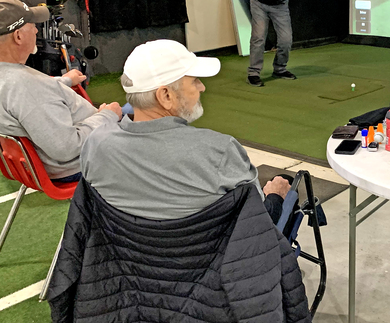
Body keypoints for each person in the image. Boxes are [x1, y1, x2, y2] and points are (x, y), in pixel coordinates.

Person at [80, 39, 291, 222]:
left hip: (126, 263)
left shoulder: (95, 143)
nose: (202, 87)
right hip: (211, 265)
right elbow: (260, 222)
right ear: (166, 96)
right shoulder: (219, 150)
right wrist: (276, 196)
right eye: (195, 81)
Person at [0, 0, 122, 181]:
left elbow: (21, 95)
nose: (36, 30)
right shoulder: (26, 86)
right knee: (141, 116)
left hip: (29, 166)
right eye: (32, 25)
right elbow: (67, 147)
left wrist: (62, 81)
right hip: (80, 160)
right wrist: (107, 116)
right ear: (18, 36)